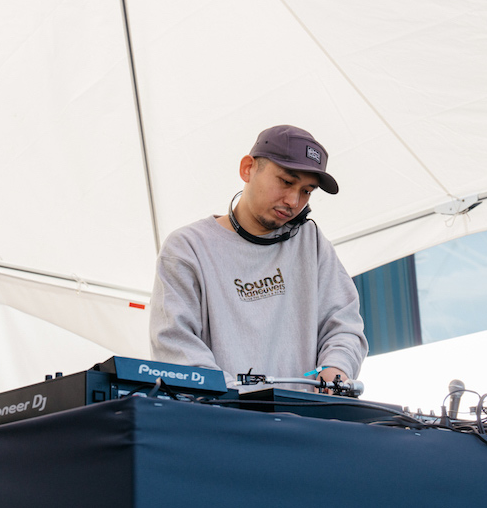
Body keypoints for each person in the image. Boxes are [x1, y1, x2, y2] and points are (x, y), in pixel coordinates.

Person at [149, 124, 368, 391]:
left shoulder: (311, 243)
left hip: (306, 415)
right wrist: (238, 400)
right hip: (222, 414)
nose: (293, 201)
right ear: (247, 169)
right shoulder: (187, 248)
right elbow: (175, 345)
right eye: (286, 182)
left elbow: (344, 325)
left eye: (306, 191)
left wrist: (335, 370)